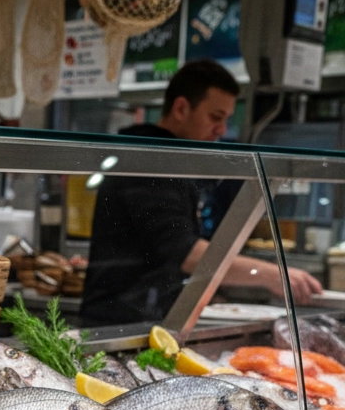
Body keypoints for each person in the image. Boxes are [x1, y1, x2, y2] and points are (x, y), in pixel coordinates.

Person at [80, 60, 322, 326]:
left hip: (151, 322)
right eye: (215, 117)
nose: (221, 129)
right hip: (117, 327)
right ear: (181, 108)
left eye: (226, 119)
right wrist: (270, 274)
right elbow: (187, 253)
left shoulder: (173, 161)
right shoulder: (146, 161)